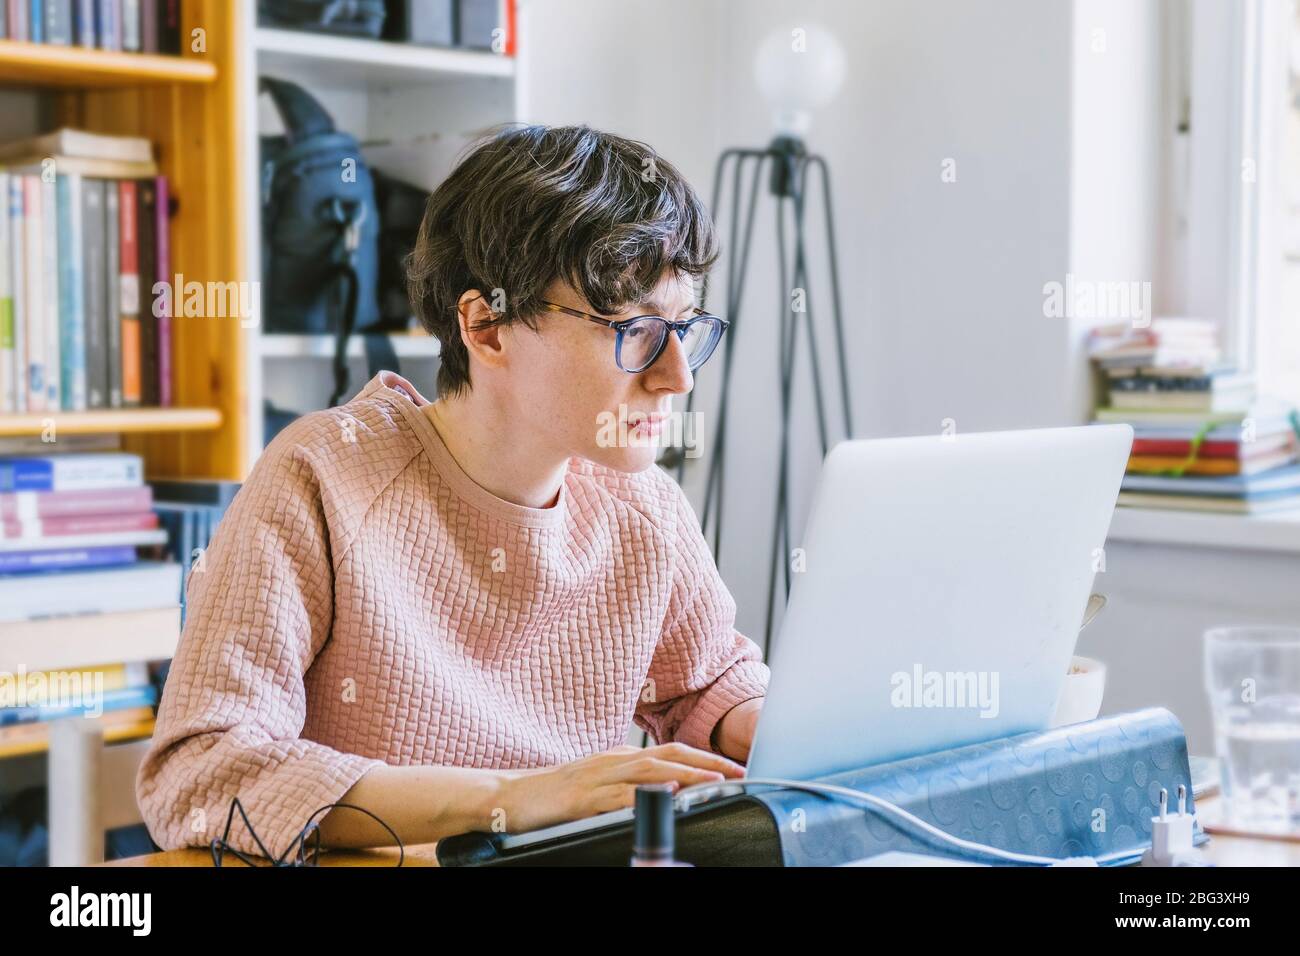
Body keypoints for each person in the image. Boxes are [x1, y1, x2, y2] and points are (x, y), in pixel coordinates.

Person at [136, 124, 769, 857]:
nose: (677, 377)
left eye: (684, 329)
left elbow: (707, 686)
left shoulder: (643, 509)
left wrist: (774, 721)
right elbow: (200, 775)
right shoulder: (322, 477)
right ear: (487, 326)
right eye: (634, 329)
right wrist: (509, 801)